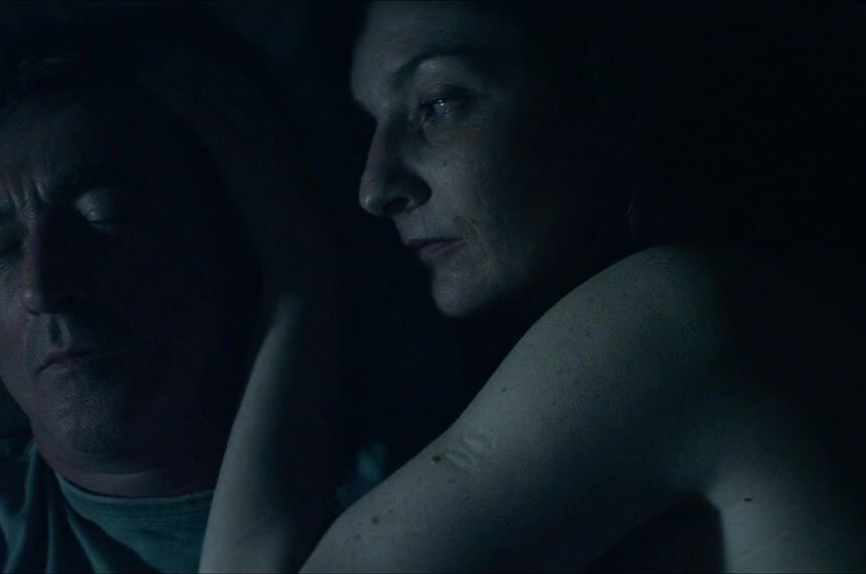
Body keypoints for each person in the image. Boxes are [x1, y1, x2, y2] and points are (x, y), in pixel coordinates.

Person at [200, 2, 866, 572]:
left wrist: (298, 274)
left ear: (605, 96)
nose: (375, 188)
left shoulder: (668, 310)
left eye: (439, 103)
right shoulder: (746, 301)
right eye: (369, 123)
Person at [0, 11, 339, 572]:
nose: (42, 287)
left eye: (105, 214)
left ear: (239, 231)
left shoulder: (393, 501)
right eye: (0, 250)